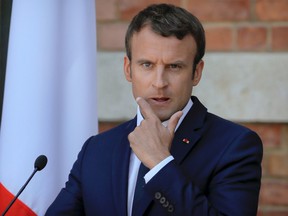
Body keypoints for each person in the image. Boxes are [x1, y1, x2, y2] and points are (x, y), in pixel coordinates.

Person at [45, 3, 263, 216]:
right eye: (147, 65)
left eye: (174, 66)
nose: (159, 82)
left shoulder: (236, 146)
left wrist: (161, 164)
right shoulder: (96, 149)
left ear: (196, 72)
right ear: (128, 69)